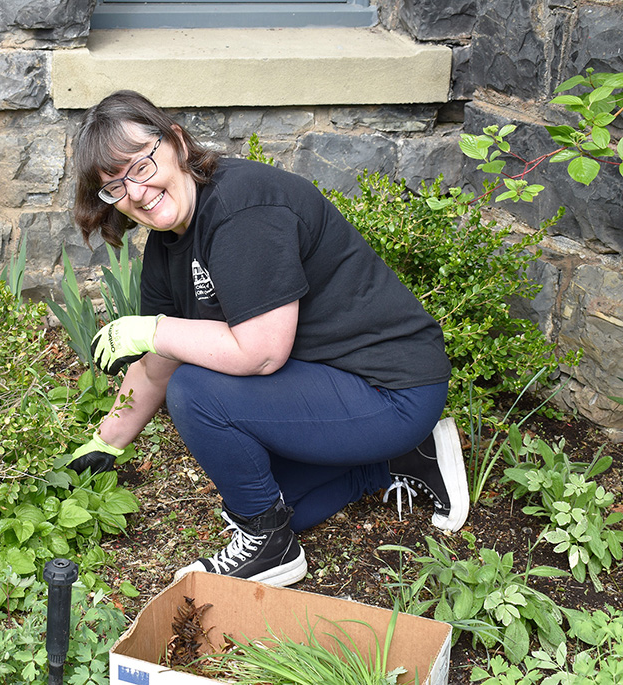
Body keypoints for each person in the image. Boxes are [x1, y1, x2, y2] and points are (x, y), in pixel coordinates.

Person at [67, 90, 468, 588]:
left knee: (196, 391)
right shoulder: (166, 249)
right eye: (116, 186)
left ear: (176, 142)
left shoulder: (241, 209)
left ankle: (270, 548)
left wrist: (153, 329)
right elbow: (156, 362)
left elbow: (259, 354)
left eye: (141, 166)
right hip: (332, 386)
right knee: (276, 499)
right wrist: (105, 441)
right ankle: (393, 461)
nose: (136, 191)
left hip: (391, 389)